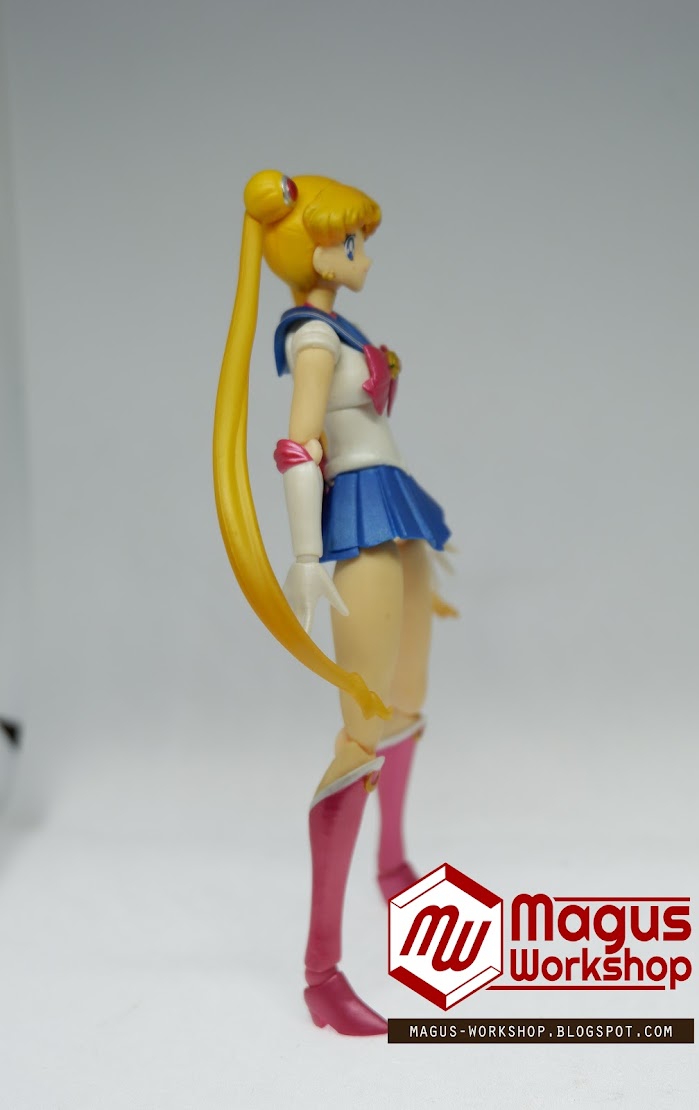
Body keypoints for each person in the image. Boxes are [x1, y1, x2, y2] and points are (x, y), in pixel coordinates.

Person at [214, 171, 452, 1035]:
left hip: (397, 511)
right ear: (314, 252)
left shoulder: (339, 327)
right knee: (361, 730)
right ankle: (322, 972)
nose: (364, 255)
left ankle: (393, 868)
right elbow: (298, 444)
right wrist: (307, 554)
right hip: (356, 524)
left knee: (408, 699)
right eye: (351, 242)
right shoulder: (313, 337)